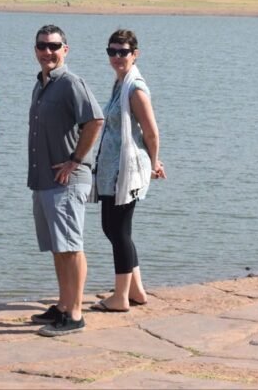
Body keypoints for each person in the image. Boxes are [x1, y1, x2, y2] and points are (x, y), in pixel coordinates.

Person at [27, 24, 103, 336]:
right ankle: (62, 305)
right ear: (36, 50)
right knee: (59, 246)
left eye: (54, 46)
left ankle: (74, 314)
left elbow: (95, 120)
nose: (48, 52)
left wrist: (75, 160)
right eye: (43, 46)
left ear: (65, 49)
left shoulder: (71, 82)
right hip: (44, 178)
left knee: (71, 246)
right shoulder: (41, 84)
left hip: (67, 180)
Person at [90, 29, 166, 313]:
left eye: (123, 52)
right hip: (114, 170)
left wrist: (153, 164)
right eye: (112, 51)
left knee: (116, 229)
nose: (117, 57)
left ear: (135, 54)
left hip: (126, 171)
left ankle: (120, 297)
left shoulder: (134, 88)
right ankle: (136, 290)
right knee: (118, 229)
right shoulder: (120, 83)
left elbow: (151, 132)